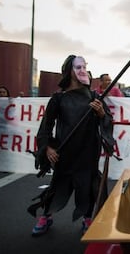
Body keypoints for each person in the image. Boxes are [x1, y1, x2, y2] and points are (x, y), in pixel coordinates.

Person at [29, 55, 114, 236]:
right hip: (64, 154)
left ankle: (87, 218)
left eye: (84, 66)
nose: (83, 70)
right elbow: (45, 128)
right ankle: (46, 216)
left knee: (87, 187)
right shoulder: (58, 99)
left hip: (87, 153)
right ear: (69, 71)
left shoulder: (95, 97)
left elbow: (107, 120)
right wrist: (48, 148)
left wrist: (100, 114)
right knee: (58, 186)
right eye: (78, 67)